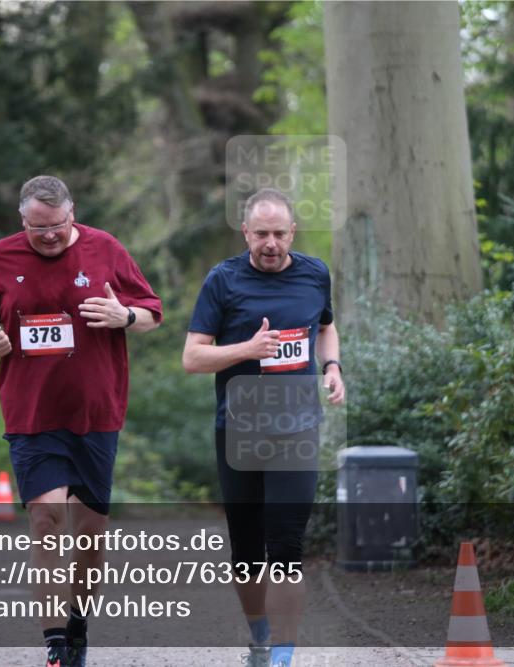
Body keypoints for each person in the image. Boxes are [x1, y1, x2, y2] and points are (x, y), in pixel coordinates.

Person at [0, 175, 162, 667]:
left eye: (57, 225)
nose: (48, 235)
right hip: (32, 413)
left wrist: (125, 317)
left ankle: (78, 625)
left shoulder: (106, 249)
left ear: (72, 213)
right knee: (46, 520)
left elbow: (154, 312)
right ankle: (55, 645)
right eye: (37, 227)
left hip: (95, 412)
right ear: (22, 220)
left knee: (90, 533)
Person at [182, 188, 346, 667]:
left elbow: (326, 326)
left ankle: (283, 654)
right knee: (248, 549)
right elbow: (193, 356)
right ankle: (258, 637)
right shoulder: (223, 280)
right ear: (246, 234)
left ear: (292, 233)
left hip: (297, 428)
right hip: (239, 431)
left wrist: (332, 366)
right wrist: (245, 351)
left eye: (279, 233)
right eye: (261, 234)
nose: (270, 243)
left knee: (287, 544)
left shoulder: (315, 273)